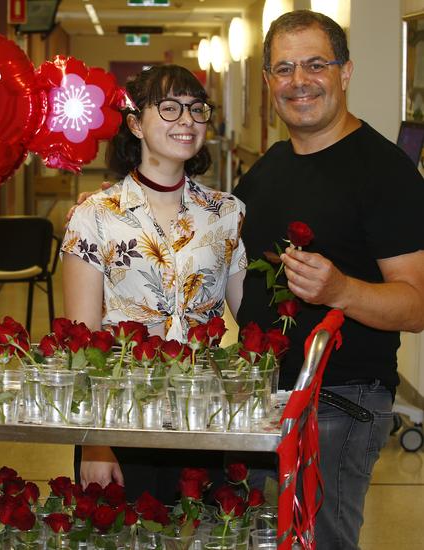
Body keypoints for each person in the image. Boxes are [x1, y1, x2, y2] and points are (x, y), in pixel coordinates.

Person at [234, 10, 424, 550]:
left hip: (339, 400)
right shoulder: (269, 167)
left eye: (315, 64)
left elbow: (417, 304)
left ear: (345, 72)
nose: (299, 81)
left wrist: (341, 290)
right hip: (262, 396)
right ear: (269, 81)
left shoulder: (385, 173)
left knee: (321, 542)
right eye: (284, 69)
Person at [61, 64, 247, 502]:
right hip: (120, 416)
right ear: (135, 124)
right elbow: (81, 340)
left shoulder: (226, 213)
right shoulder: (96, 215)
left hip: (203, 415)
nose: (186, 119)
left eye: (196, 109)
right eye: (168, 108)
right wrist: (94, 440)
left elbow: (250, 318)